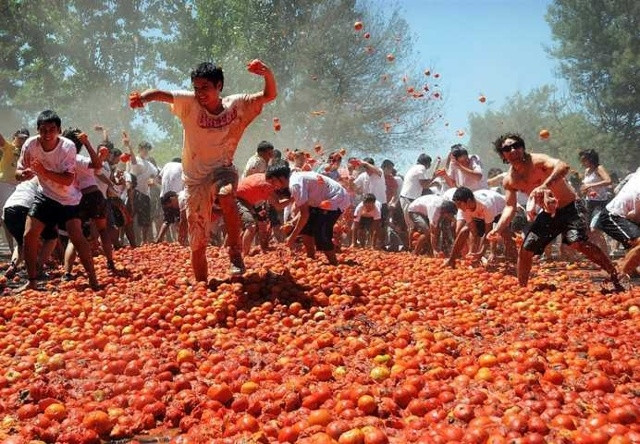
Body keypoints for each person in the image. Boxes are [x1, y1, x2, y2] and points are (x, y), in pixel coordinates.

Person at [129, 59, 277, 281]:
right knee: (197, 244)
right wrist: (143, 98)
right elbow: (162, 93)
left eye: (205, 88)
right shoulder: (190, 103)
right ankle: (202, 287)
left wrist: (267, 73)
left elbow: (268, 95)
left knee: (226, 194)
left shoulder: (236, 105)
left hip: (223, 170)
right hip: (195, 181)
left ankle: (235, 254)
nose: (200, 93)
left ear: (219, 86)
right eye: (196, 88)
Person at [486, 133, 623, 289]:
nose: (513, 150)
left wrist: (545, 185)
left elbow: (563, 166)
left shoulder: (537, 161)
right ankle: (521, 289)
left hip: (571, 206)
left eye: (516, 145)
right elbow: (510, 207)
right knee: (526, 249)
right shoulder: (509, 180)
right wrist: (498, 229)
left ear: (522, 147)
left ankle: (615, 274)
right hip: (549, 213)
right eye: (507, 148)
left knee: (577, 242)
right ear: (502, 154)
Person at [15, 110, 99, 291]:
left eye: (51, 129)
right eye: (43, 130)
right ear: (37, 130)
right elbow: (18, 172)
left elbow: (68, 179)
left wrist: (43, 172)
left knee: (77, 237)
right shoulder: (30, 145)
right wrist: (24, 174)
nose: (47, 134)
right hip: (45, 195)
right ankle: (32, 281)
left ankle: (93, 279)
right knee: (29, 235)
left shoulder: (67, 147)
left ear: (59, 130)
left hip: (68, 199)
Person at [266, 162, 350, 265]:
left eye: (273, 181)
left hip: (335, 199)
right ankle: (311, 258)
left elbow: (304, 214)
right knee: (306, 228)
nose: (273, 186)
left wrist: (291, 238)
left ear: (282, 178)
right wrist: (292, 222)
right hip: (320, 202)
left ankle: (334, 264)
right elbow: (305, 209)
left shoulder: (295, 184)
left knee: (321, 232)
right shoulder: (295, 179)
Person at [61, 128, 115, 277]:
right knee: (103, 230)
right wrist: (88, 143)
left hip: (77, 199)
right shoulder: (76, 158)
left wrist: (101, 156)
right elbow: (96, 166)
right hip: (92, 195)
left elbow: (95, 168)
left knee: (75, 236)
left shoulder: (62, 160)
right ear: (79, 144)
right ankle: (110, 261)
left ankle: (67, 272)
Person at [448, 186, 516, 267]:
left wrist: (481, 253)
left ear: (469, 201)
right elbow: (473, 231)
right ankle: (451, 260)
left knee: (505, 232)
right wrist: (472, 252)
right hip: (481, 214)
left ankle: (514, 258)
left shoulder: (486, 205)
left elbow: (488, 232)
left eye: (459, 204)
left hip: (500, 210)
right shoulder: (464, 208)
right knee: (464, 231)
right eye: (456, 204)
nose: (458, 207)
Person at [595, 167, 640, 277]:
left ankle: (629, 272)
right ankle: (620, 276)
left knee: (634, 246)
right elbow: (633, 215)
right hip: (613, 216)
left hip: (626, 215)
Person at [236, 170, 291, 255]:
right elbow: (278, 206)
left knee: (263, 224)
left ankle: (264, 248)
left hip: (254, 200)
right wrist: (293, 199)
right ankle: (244, 255)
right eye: (282, 181)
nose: (282, 185)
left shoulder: (266, 179)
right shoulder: (268, 186)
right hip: (239, 199)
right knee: (251, 226)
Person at [123, 135, 159, 244]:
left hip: (145, 194)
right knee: (131, 217)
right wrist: (129, 147)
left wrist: (153, 180)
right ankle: (131, 241)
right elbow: (133, 161)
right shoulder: (136, 160)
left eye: (147, 149)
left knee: (145, 220)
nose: (146, 151)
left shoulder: (149, 164)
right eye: (144, 149)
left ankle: (144, 241)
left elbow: (155, 174)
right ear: (140, 149)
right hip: (134, 192)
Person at [0, 129, 30, 252]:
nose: (23, 140)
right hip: (5, 184)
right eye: (21, 137)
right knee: (5, 218)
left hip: (20, 186)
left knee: (20, 216)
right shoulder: (9, 147)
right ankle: (12, 249)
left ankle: (19, 248)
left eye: (26, 138)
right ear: (15, 137)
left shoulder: (27, 151)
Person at [579, 149, 612, 254]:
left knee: (595, 229)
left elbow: (608, 181)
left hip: (600, 202)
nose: (582, 162)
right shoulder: (586, 171)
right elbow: (586, 186)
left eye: (584, 160)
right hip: (589, 202)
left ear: (591, 159)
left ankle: (606, 255)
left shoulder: (599, 168)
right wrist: (586, 190)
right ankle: (596, 255)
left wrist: (591, 185)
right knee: (588, 231)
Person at [353, 158, 387, 248]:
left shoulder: (379, 172)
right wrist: (349, 181)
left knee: (379, 226)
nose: (367, 170)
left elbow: (376, 170)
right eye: (365, 168)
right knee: (362, 226)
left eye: (367, 167)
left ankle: (380, 245)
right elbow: (354, 187)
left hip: (381, 202)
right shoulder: (362, 176)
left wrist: (363, 163)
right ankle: (363, 245)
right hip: (366, 203)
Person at [399, 154, 433, 229]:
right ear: (427, 163)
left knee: (413, 225)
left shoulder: (414, 168)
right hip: (408, 199)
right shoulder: (421, 168)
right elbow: (424, 185)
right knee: (416, 225)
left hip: (409, 198)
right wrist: (434, 177)